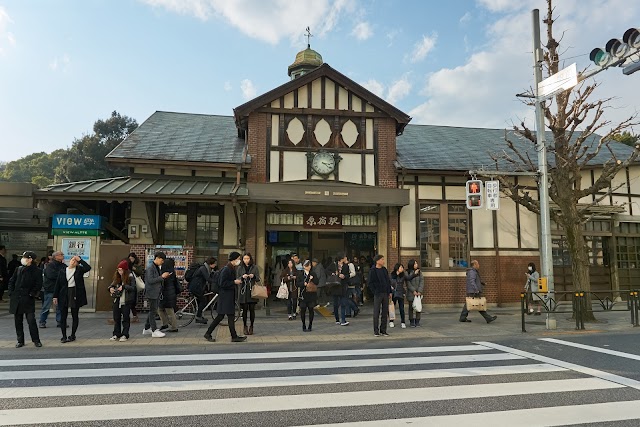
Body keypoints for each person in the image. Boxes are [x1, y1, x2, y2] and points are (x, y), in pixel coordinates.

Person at [204, 252, 247, 343]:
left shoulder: (231, 268)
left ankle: (234, 336)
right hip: (225, 296)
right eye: (238, 258)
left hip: (228, 296)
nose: (239, 260)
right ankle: (208, 333)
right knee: (220, 316)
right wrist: (234, 282)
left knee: (230, 316)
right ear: (234, 259)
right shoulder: (227, 269)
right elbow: (222, 283)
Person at [8, 251, 43, 348]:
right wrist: (11, 292)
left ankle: (36, 340)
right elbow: (12, 281)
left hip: (28, 299)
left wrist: (32, 294)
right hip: (17, 298)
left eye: (24, 257)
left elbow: (38, 284)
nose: (22, 259)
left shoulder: (37, 270)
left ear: (30, 259)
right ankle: (20, 340)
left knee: (31, 320)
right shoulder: (18, 269)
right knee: (18, 321)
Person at [54, 255, 91, 343]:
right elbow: (57, 284)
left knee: (75, 315)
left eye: (76, 261)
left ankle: (73, 335)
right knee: (63, 315)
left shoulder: (79, 270)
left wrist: (80, 260)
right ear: (69, 261)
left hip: (75, 293)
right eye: (72, 260)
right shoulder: (62, 270)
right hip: (64, 294)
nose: (73, 261)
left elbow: (88, 267)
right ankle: (64, 336)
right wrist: (55, 296)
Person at [143, 252, 171, 338]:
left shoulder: (156, 267)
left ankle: (147, 328)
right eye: (162, 260)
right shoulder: (150, 268)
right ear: (157, 258)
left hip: (156, 292)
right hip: (152, 292)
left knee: (153, 310)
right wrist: (162, 277)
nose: (162, 262)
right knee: (153, 311)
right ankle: (154, 330)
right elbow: (150, 280)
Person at [108, 260, 136, 341]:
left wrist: (124, 287)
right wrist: (110, 288)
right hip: (117, 300)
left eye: (121, 270)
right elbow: (111, 285)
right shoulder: (117, 277)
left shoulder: (130, 277)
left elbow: (133, 288)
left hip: (126, 300)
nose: (119, 272)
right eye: (118, 270)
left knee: (125, 318)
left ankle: (125, 334)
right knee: (116, 318)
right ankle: (116, 333)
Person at [237, 253, 261, 335]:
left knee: (252, 310)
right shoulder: (240, 268)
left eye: (248, 258)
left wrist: (253, 276)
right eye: (244, 258)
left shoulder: (255, 267)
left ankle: (251, 326)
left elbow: (258, 278)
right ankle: (244, 326)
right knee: (244, 310)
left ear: (250, 259)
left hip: (252, 290)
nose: (246, 260)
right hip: (243, 291)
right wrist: (242, 277)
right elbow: (237, 278)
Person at [188, 257, 217, 324]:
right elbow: (208, 279)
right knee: (203, 301)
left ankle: (200, 315)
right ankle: (198, 316)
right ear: (211, 263)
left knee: (201, 301)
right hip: (196, 288)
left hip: (198, 287)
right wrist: (216, 282)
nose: (215, 265)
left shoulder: (207, 268)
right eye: (214, 263)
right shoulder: (203, 268)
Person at [40, 251, 65, 328]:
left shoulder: (63, 265)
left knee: (60, 307)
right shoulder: (50, 265)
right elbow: (51, 275)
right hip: (50, 288)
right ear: (56, 256)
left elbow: (66, 274)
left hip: (60, 289)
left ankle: (60, 321)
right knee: (46, 306)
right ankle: (42, 321)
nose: (63, 256)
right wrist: (61, 275)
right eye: (61, 254)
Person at [368, 254, 392, 337]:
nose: (383, 261)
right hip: (378, 293)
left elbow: (388, 281)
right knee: (376, 312)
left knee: (385, 312)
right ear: (377, 261)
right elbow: (370, 283)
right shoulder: (373, 270)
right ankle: (376, 330)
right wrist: (375, 291)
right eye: (382, 259)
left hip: (385, 293)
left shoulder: (384, 270)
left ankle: (383, 330)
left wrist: (390, 292)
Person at [158, 258, 181, 332]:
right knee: (163, 309)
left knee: (167, 310)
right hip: (171, 293)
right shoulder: (172, 272)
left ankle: (173, 327)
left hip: (166, 293)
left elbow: (162, 282)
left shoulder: (165, 273)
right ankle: (165, 323)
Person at [298, 260, 318, 332]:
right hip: (303, 295)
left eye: (309, 265)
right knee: (303, 310)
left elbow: (317, 282)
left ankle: (310, 325)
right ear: (304, 266)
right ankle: (303, 324)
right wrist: (303, 283)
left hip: (311, 294)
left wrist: (313, 279)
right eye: (307, 265)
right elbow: (297, 283)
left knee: (311, 309)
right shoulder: (300, 274)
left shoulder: (313, 273)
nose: (309, 267)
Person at [331, 253, 349, 326]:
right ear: (341, 258)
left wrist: (344, 276)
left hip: (343, 286)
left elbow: (348, 275)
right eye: (344, 257)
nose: (345, 258)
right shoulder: (334, 265)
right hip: (335, 286)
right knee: (335, 304)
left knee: (343, 303)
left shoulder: (346, 266)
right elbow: (327, 270)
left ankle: (343, 320)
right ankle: (337, 319)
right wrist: (333, 273)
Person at [405, 259, 424, 327]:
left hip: (418, 293)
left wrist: (419, 291)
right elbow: (408, 282)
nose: (416, 265)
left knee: (418, 307)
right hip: (411, 293)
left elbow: (422, 281)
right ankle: (411, 321)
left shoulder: (419, 272)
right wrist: (413, 290)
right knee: (411, 307)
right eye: (415, 264)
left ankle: (417, 320)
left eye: (416, 263)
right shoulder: (407, 272)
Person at [127, 252, 144, 322]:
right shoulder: (126, 265)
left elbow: (140, 272)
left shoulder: (137, 265)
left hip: (134, 284)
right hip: (128, 284)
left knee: (132, 301)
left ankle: (134, 316)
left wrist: (134, 268)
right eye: (130, 258)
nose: (131, 260)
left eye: (132, 258)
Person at [390, 263, 406, 329]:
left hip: (400, 293)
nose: (402, 269)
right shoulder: (392, 275)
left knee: (401, 308)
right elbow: (389, 282)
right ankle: (391, 321)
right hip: (393, 293)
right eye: (401, 267)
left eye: (402, 268)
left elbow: (408, 279)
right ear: (397, 268)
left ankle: (403, 322)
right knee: (392, 308)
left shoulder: (403, 275)